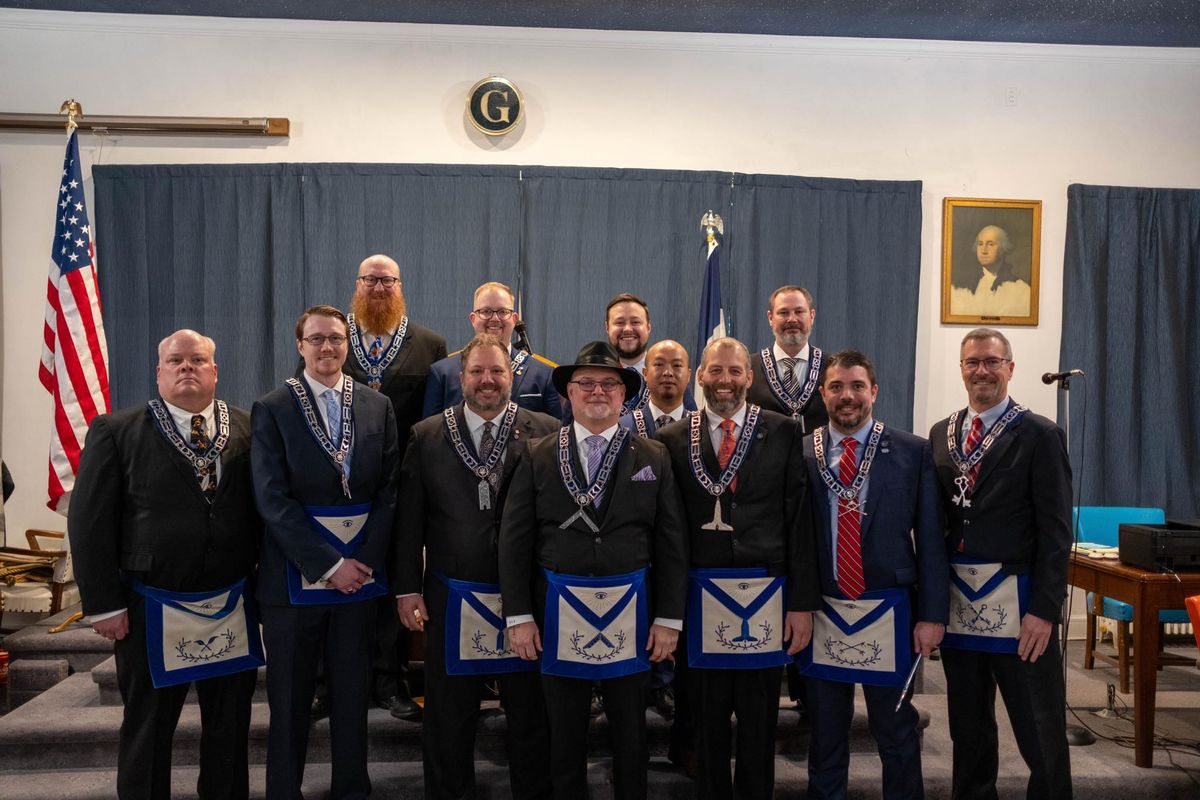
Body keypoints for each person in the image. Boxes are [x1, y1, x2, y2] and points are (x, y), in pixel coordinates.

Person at [69, 329, 261, 800]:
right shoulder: (117, 430)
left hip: (229, 603)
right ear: (159, 372)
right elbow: (89, 521)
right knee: (148, 726)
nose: (187, 367)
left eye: (198, 360)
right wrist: (102, 603)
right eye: (175, 361)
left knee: (229, 726)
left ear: (215, 371)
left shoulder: (248, 428)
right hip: (149, 604)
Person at [499, 341, 688, 800]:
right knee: (563, 735)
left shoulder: (654, 455)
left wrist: (668, 619)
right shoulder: (536, 453)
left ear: (624, 396)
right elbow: (514, 541)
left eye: (609, 384)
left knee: (630, 734)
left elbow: (672, 544)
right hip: (557, 615)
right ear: (569, 394)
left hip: (632, 615)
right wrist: (519, 616)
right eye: (586, 383)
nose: (598, 391)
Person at [395, 334, 558, 799]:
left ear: (512, 377)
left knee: (530, 714)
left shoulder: (545, 429)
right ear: (461, 377)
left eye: (498, 372)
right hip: (452, 595)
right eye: (478, 372)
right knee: (449, 716)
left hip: (526, 598)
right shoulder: (426, 435)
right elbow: (409, 521)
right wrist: (407, 587)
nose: (488, 381)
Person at [657, 337, 818, 799]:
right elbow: (666, 533)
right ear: (699, 377)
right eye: (715, 371)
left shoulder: (784, 431)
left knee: (758, 723)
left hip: (766, 599)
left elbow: (798, 521)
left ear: (749, 377)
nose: (724, 381)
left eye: (734, 372)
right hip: (699, 600)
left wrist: (801, 604)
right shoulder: (670, 438)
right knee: (704, 722)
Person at [252, 305, 400, 799]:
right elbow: (272, 500)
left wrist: (363, 563)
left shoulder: (378, 407)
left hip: (360, 579)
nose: (327, 348)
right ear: (300, 346)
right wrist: (330, 564)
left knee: (353, 698)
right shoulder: (272, 407)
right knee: (291, 702)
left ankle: (352, 790)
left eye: (336, 339)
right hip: (294, 583)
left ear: (348, 343)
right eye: (316, 339)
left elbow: (390, 491)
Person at [930, 328, 1072, 799]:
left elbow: (1055, 533)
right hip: (959, 606)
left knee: (1038, 728)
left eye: (992, 362)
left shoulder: (1040, 434)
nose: (982, 371)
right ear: (962, 368)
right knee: (968, 731)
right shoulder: (941, 433)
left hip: (1021, 606)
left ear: (1010, 368)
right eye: (972, 362)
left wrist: (1046, 610)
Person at [800, 349, 948, 800]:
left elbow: (931, 537)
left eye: (857, 386)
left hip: (889, 606)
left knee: (895, 729)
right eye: (837, 387)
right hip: (824, 607)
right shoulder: (802, 450)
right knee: (825, 731)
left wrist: (933, 614)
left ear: (874, 391)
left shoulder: (912, 450)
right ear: (823, 393)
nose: (848, 396)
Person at [343, 253, 446, 721]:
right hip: (341, 487)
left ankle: (390, 679)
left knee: (394, 584)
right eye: (371, 279)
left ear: (401, 286)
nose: (379, 287)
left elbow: (435, 420)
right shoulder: (331, 338)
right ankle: (335, 680)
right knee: (337, 584)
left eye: (387, 280)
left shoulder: (430, 344)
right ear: (358, 284)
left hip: (402, 485)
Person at [423, 281, 560, 419]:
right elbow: (431, 433)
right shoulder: (443, 373)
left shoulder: (544, 375)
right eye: (486, 311)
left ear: (514, 319)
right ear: (473, 319)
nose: (495, 318)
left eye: (503, 312)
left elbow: (555, 433)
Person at [560, 293, 696, 421]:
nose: (627, 329)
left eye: (635, 322)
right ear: (607, 327)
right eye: (619, 323)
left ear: (648, 327)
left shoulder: (671, 378)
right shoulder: (587, 379)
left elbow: (687, 429)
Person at [747, 285, 829, 435]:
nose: (792, 319)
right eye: (783, 313)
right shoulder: (748, 368)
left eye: (799, 311)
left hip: (819, 457)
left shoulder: (833, 367)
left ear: (811, 316)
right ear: (770, 318)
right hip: (767, 458)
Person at [949, 225, 1032, 318]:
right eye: (980, 244)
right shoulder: (960, 286)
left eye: (990, 244)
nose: (983, 250)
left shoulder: (1021, 289)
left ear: (1003, 248)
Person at [618, 339, 693, 440]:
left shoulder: (702, 429)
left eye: (677, 365)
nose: (668, 372)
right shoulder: (622, 428)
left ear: (688, 376)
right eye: (659, 364)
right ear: (645, 373)